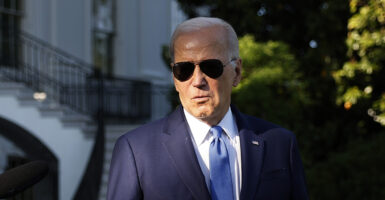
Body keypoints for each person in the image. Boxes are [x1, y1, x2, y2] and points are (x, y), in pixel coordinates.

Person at [107, 17, 308, 200]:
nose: (197, 81)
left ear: (237, 72)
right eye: (183, 70)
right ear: (175, 78)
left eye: (211, 67)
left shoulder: (280, 143)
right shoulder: (136, 150)